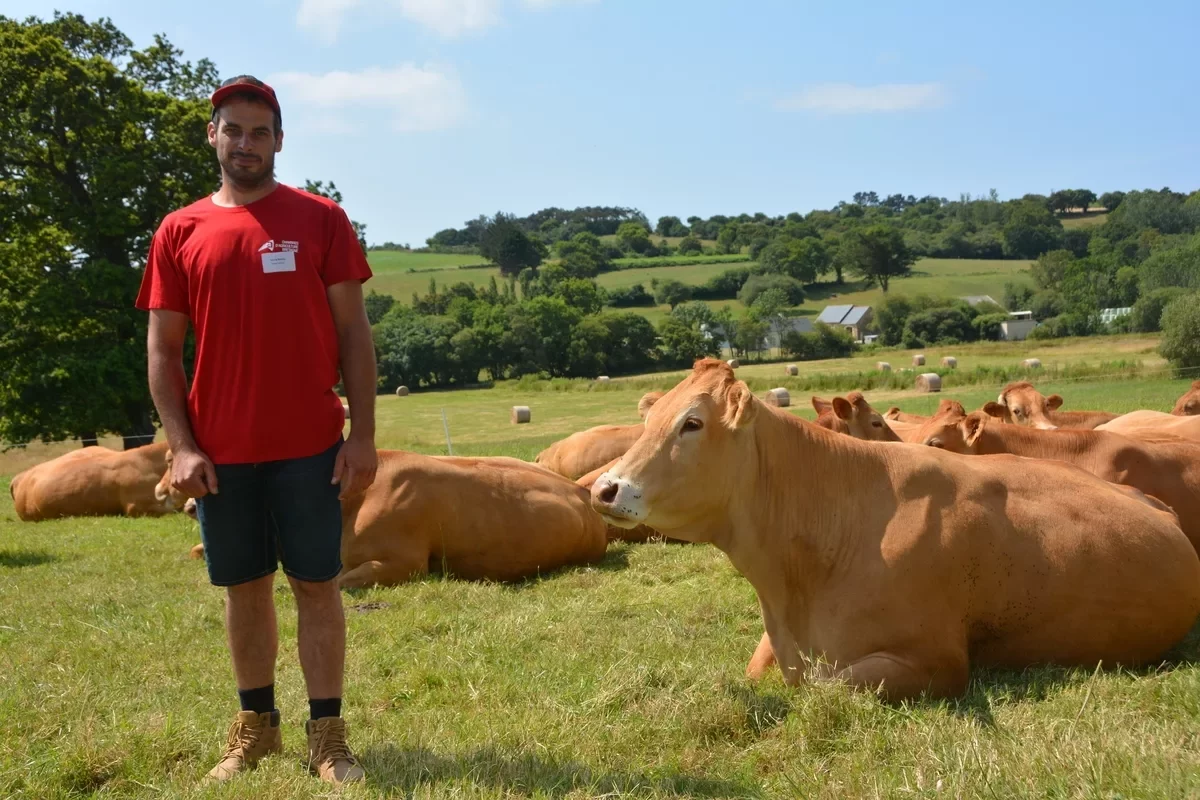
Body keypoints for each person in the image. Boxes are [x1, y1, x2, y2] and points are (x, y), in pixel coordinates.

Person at [135, 75, 378, 786]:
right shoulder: (179, 231)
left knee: (317, 585)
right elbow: (161, 352)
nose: (246, 143)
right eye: (233, 129)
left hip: (310, 447)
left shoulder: (321, 219)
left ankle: (328, 737)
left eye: (260, 131)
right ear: (212, 134)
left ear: (279, 140)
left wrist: (361, 436)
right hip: (221, 454)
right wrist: (181, 445)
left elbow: (353, 335)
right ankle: (256, 730)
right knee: (244, 589)